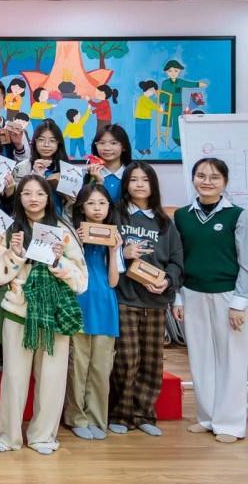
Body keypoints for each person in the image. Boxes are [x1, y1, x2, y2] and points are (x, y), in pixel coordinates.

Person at [0, 175, 88, 455]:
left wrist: (58, 261)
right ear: (18, 197)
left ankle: (43, 436)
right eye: (26, 193)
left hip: (54, 313)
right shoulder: (9, 229)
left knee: (53, 379)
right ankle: (8, 436)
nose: (33, 198)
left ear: (48, 197)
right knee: (14, 378)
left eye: (40, 194)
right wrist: (16, 254)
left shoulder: (63, 230)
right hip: (18, 310)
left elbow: (82, 281)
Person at [173, 157, 247, 442]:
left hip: (228, 296)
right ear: (193, 179)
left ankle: (230, 423)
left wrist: (239, 303)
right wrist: (178, 299)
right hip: (192, 293)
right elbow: (178, 259)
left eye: (214, 177)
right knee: (201, 358)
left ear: (225, 182)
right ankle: (207, 417)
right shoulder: (182, 216)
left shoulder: (237, 215)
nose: (207, 181)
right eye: (201, 175)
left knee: (232, 360)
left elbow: (246, 262)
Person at [111, 161, 183, 436]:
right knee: (126, 360)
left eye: (145, 180)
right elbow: (104, 252)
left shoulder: (164, 222)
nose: (139, 184)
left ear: (153, 185)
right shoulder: (117, 216)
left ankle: (144, 415)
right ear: (126, 184)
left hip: (155, 301)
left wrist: (167, 281)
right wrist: (123, 255)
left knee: (152, 362)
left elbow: (176, 261)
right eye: (134, 180)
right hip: (125, 297)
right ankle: (121, 414)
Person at [63, 182, 122, 440]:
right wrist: (80, 243)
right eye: (91, 203)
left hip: (105, 305)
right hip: (79, 302)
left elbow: (113, 282)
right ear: (81, 207)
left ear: (109, 207)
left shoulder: (114, 236)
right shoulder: (74, 235)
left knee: (101, 366)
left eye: (102, 203)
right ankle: (76, 417)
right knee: (78, 364)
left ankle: (98, 418)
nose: (97, 208)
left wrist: (114, 249)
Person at [88, 124, 132, 201]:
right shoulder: (88, 175)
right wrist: (99, 182)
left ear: (124, 147)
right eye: (102, 143)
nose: (107, 148)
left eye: (113, 143)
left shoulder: (132, 174)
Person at [133, 81, 159, 157]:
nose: (153, 93)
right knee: (140, 134)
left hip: (147, 119)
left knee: (146, 134)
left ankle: (146, 147)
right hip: (140, 119)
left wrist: (157, 105)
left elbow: (153, 105)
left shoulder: (147, 99)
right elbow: (150, 106)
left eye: (154, 91)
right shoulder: (142, 98)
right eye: (152, 91)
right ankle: (139, 147)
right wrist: (158, 108)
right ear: (147, 89)